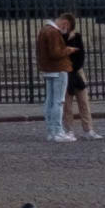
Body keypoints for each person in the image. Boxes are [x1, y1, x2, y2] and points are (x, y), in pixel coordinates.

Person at [34, 11, 74, 143]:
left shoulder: (44, 30)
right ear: (65, 23)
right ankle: (58, 131)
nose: (65, 31)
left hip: (48, 69)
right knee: (58, 101)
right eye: (67, 28)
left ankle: (51, 131)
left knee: (50, 100)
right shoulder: (54, 32)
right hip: (58, 69)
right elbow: (55, 53)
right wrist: (68, 50)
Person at [61, 11, 99, 142]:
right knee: (67, 104)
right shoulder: (59, 36)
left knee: (83, 101)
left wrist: (75, 68)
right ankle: (69, 130)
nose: (64, 25)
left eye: (66, 22)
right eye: (62, 22)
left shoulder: (77, 36)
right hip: (65, 72)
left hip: (77, 72)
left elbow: (81, 54)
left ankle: (88, 129)